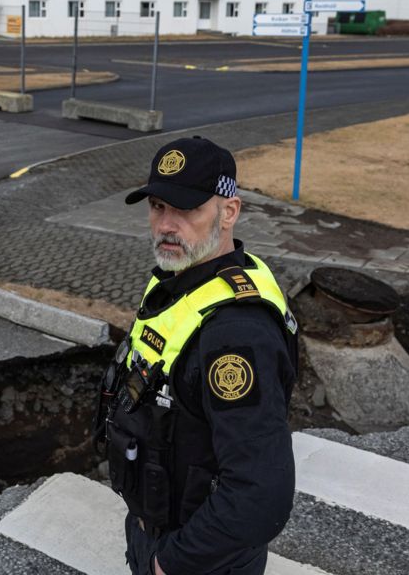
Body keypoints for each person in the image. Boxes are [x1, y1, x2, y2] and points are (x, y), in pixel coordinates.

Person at [93, 136, 299, 575]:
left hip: (200, 559)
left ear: (228, 212)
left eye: (186, 209)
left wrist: (169, 563)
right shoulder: (180, 282)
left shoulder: (235, 334)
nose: (166, 225)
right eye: (157, 207)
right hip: (156, 528)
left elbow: (261, 495)